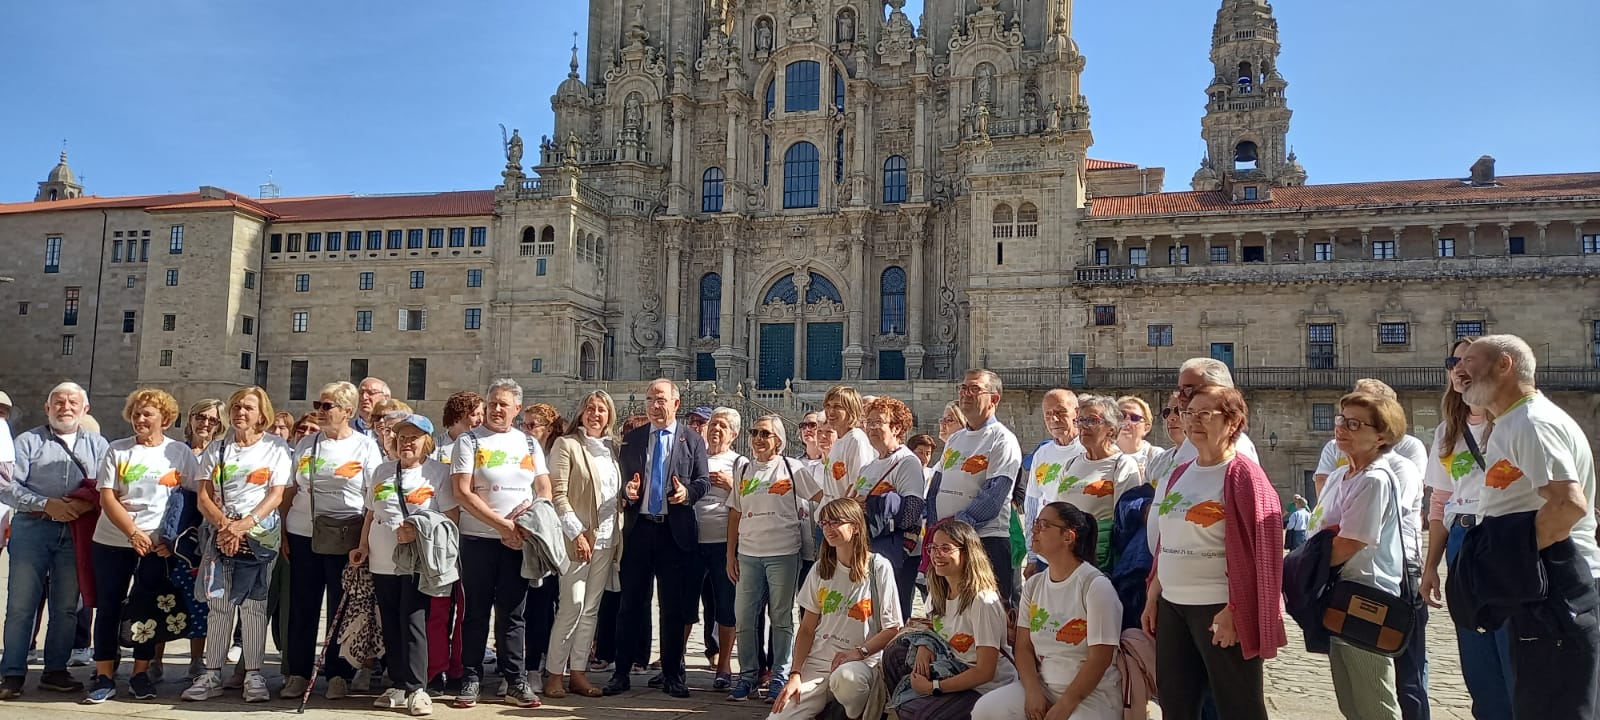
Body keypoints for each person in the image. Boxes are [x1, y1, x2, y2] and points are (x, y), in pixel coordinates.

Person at [1458, 334, 1600, 717]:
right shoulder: (1513, 421)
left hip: (1553, 584)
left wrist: (1507, 560)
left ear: (1504, 365)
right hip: (1541, 583)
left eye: (1470, 361)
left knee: (1554, 707)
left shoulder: (1531, 422)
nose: (1459, 370)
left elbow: (1567, 506)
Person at [1143, 384, 1284, 720]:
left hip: (1218, 607)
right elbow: (1167, 539)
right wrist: (1153, 596)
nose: (1193, 421)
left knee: (1238, 705)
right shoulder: (1180, 472)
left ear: (1232, 422)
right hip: (1173, 606)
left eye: (1205, 414)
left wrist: (1236, 608)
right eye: (1188, 413)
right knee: (1176, 705)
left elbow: (1265, 550)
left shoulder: (1243, 474)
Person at [1310, 378, 1430, 719]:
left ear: (1381, 436)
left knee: (1374, 697)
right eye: (1341, 420)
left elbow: (1352, 539)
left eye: (1354, 423)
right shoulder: (1339, 475)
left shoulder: (1377, 477)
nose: (1342, 429)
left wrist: (1304, 569)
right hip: (1338, 591)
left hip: (1366, 596)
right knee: (1351, 699)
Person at [83, 388, 198, 704]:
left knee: (149, 607)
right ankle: (104, 674)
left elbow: (191, 498)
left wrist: (171, 540)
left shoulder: (179, 453)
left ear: (165, 418)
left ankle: (140, 674)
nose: (140, 419)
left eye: (148, 413)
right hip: (112, 541)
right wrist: (132, 532)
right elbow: (107, 495)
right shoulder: (117, 450)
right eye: (136, 413)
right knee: (108, 607)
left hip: (157, 546)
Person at [1418, 338, 1513, 719]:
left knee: (1512, 644)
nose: (1459, 367)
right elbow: (1440, 503)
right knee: (1475, 647)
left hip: (1504, 535)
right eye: (1452, 361)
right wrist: (1431, 567)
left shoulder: (1511, 422)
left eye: (1469, 360)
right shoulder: (1446, 432)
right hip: (1463, 539)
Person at [602, 379, 711, 699]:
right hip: (639, 530)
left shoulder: (691, 439)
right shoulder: (633, 439)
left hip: (674, 532)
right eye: (650, 399)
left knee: (673, 608)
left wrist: (686, 493)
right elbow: (622, 483)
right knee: (630, 605)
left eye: (660, 399)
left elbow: (703, 481)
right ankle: (621, 672)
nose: (653, 404)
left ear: (675, 403)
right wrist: (627, 492)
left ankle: (673, 674)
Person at [182, 386, 292, 704]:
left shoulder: (276, 448)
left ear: (262, 414)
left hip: (258, 537)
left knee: (253, 606)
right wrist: (225, 527)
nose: (240, 412)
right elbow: (203, 494)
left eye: (247, 407)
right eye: (236, 407)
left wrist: (244, 526)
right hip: (221, 533)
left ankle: (254, 674)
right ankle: (212, 672)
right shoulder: (218, 448)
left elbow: (276, 494)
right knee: (219, 605)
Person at [0, 381, 108, 700]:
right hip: (34, 527)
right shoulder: (27, 441)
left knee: (65, 606)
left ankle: (56, 669)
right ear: (47, 408)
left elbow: (108, 484)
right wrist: (47, 504)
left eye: (73, 402)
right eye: (58, 402)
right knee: (21, 603)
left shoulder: (98, 445)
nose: (66, 407)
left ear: (85, 409)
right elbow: (7, 486)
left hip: (76, 529)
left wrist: (82, 505)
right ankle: (12, 671)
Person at [449, 379, 551, 709]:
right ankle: (471, 676)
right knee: (475, 612)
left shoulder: (529, 445)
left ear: (517, 409)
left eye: (503, 404)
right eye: (492, 402)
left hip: (517, 542)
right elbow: (462, 492)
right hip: (479, 539)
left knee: (514, 613)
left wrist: (525, 519)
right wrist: (503, 524)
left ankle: (515, 679)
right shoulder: (469, 441)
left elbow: (545, 489)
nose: (496, 408)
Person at [280, 381, 384, 701]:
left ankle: (338, 674)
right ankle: (298, 672)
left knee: (342, 605)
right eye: (318, 405)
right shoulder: (307, 444)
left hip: (345, 537)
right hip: (303, 532)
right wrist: (284, 530)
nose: (320, 412)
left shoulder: (364, 446)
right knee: (303, 605)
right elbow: (289, 489)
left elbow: (373, 497)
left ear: (348, 412)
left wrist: (365, 542)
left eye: (328, 406)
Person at [973, 502, 1123, 720]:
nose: (1034, 531)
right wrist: (1032, 691)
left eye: (1043, 525)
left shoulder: (1095, 586)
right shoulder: (1034, 585)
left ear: (1068, 537)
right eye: (1035, 524)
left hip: (1092, 695)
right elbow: (1023, 648)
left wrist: (1065, 706)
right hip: (1044, 686)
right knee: (986, 710)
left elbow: (1100, 658)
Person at [353, 412, 456, 717]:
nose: (406, 442)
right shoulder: (382, 471)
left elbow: (451, 519)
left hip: (417, 560)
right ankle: (398, 683)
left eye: (413, 437)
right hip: (381, 557)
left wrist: (419, 529)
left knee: (414, 621)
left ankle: (418, 687)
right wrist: (361, 546)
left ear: (427, 442)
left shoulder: (438, 473)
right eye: (401, 437)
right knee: (391, 621)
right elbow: (371, 513)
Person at [768, 498, 902, 719]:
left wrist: (859, 652)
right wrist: (795, 673)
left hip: (860, 662)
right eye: (824, 523)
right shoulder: (821, 569)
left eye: (836, 522)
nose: (829, 528)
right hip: (818, 662)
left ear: (856, 526)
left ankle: (847, 713)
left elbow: (893, 628)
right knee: (779, 717)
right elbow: (807, 629)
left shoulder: (878, 567)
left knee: (847, 680)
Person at [885, 519, 1016, 718]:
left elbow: (985, 671)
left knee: (923, 713)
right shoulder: (939, 591)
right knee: (895, 655)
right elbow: (930, 628)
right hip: (951, 665)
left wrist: (934, 687)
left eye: (946, 548)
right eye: (933, 548)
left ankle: (920, 702)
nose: (937, 555)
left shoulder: (981, 601)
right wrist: (924, 645)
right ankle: (912, 702)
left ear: (967, 553)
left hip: (986, 686)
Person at [727, 415, 818, 703]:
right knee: (744, 616)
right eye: (754, 432)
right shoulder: (743, 470)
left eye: (764, 433)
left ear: (778, 440)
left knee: (780, 617)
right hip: (749, 553)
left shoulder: (793, 468)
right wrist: (730, 553)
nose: (757, 438)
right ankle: (748, 675)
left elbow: (820, 497)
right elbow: (735, 512)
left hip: (783, 552)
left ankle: (780, 675)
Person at [544, 390, 624, 699]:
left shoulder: (612, 449)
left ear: (609, 416)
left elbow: (611, 495)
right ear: (581, 413)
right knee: (572, 605)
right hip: (576, 539)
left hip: (606, 538)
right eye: (590, 408)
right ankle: (554, 673)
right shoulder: (567, 445)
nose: (595, 414)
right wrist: (576, 533)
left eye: (601, 410)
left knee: (590, 609)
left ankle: (578, 672)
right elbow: (558, 493)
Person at [928, 369, 1023, 605]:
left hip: (985, 540)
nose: (965, 394)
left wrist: (957, 528)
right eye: (963, 388)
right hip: (950, 542)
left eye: (974, 389)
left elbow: (995, 494)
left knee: (989, 612)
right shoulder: (955, 439)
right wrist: (935, 527)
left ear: (994, 399)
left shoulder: (1002, 439)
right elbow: (936, 486)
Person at [1041, 395, 1141, 572]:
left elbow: (1125, 520)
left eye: (1092, 420)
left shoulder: (1122, 464)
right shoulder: (1070, 464)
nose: (1084, 426)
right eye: (1081, 420)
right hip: (1065, 555)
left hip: (1100, 559)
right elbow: (1057, 508)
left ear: (1111, 429)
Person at [426, 391, 481, 694]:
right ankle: (435, 669)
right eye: (474, 414)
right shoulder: (436, 448)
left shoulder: (480, 444)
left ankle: (459, 667)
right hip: (441, 537)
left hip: (469, 534)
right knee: (438, 608)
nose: (479, 419)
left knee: (465, 607)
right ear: (460, 415)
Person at [855, 396, 927, 620]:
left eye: (878, 423)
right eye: (869, 422)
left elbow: (911, 512)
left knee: (893, 614)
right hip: (868, 547)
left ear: (896, 428)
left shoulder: (907, 462)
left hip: (897, 554)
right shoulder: (868, 467)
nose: (871, 428)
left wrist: (872, 506)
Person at [690, 407, 744, 691]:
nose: (716, 430)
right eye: (713, 425)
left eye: (723, 426)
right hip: (692, 540)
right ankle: (673, 662)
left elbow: (750, 499)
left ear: (734, 434)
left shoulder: (740, 463)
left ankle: (724, 665)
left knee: (726, 605)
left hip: (724, 543)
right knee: (685, 604)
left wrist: (731, 485)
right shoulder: (694, 457)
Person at [519, 402, 565, 686]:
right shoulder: (519, 451)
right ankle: (527, 663)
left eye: (532, 426)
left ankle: (543, 661)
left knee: (546, 602)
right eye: (524, 425)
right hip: (528, 536)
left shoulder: (556, 454)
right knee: (531, 603)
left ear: (547, 429)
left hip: (552, 537)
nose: (526, 431)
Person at [1023, 390, 1083, 572]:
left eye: (1060, 412)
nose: (1054, 419)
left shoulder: (1088, 450)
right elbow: (1032, 503)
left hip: (1076, 552)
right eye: (1048, 414)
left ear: (1076, 413)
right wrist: (1032, 554)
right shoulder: (1042, 453)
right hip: (1045, 556)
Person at [823, 386, 874, 501]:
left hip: (843, 515)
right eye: (828, 406)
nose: (830, 412)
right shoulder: (839, 440)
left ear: (851, 410)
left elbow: (858, 485)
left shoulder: (856, 440)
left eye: (837, 407)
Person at [1116, 395, 1160, 478]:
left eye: (1134, 418)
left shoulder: (1157, 456)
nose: (1127, 421)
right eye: (1121, 416)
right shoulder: (1102, 455)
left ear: (1146, 428)